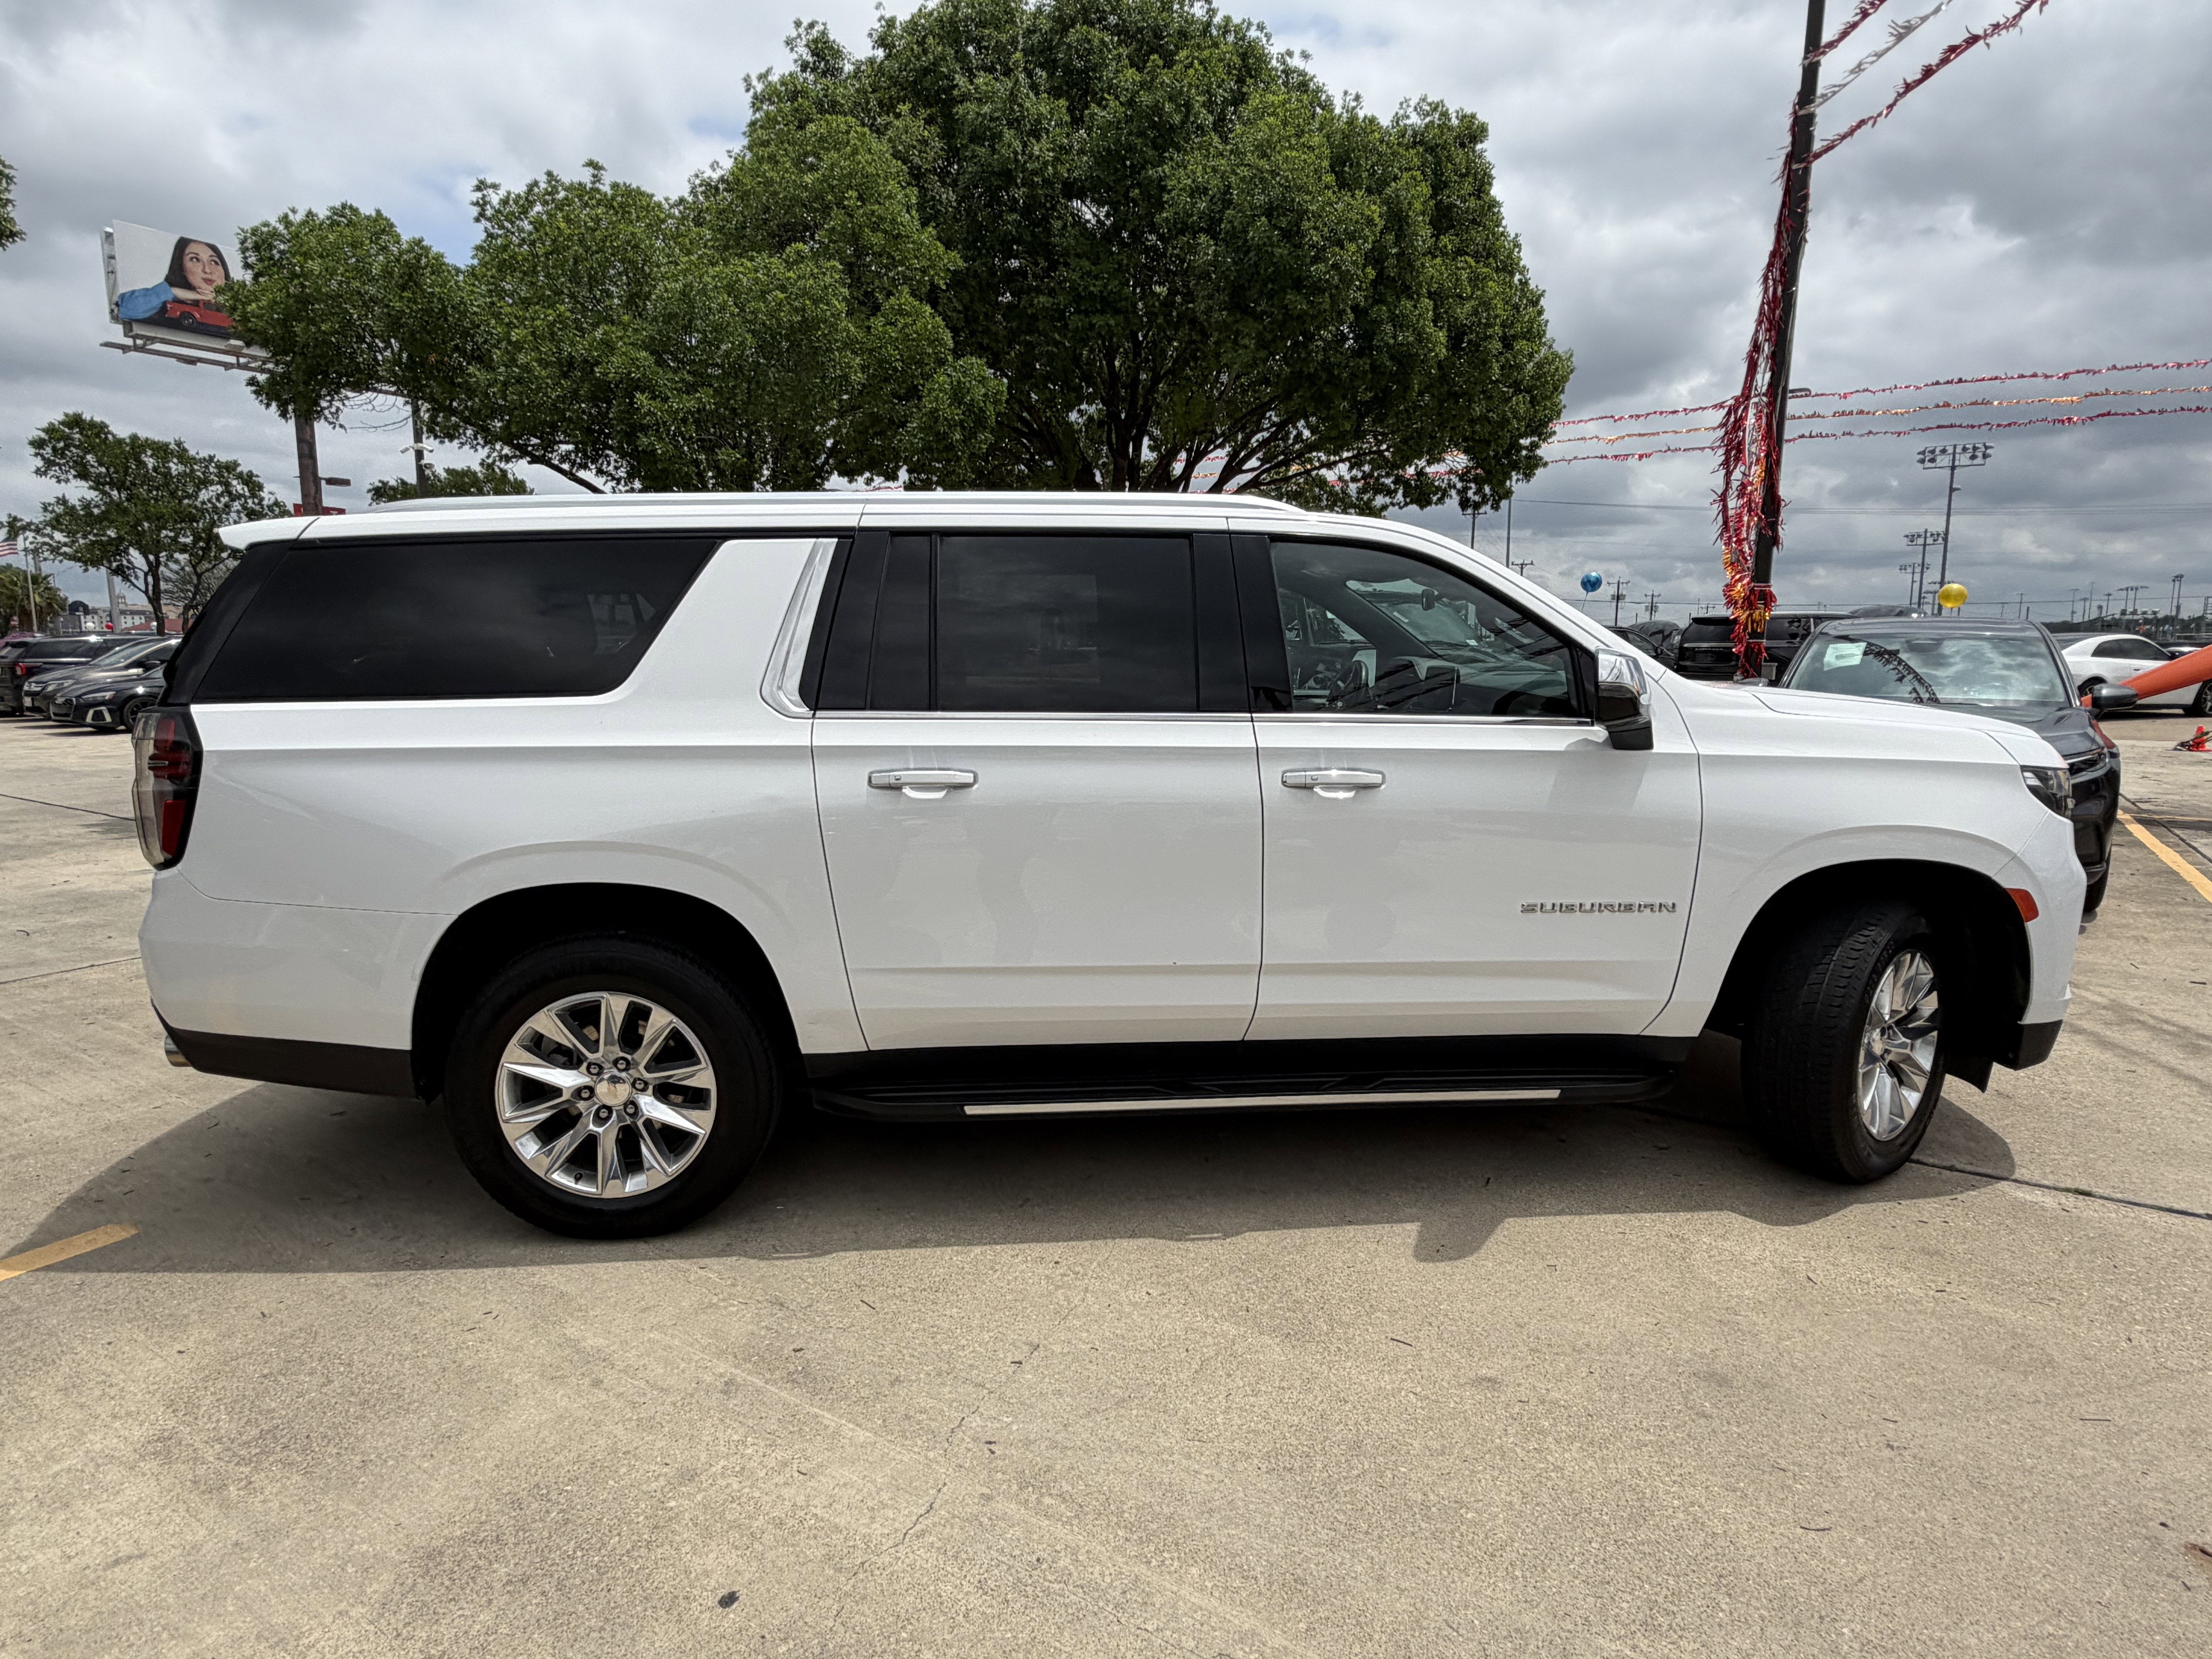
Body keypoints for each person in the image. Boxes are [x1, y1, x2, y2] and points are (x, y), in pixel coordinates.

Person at [116, 237, 235, 338]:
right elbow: (125, 309)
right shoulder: (165, 303)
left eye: (214, 262)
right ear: (182, 269)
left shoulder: (239, 308)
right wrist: (174, 292)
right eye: (195, 260)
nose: (207, 270)